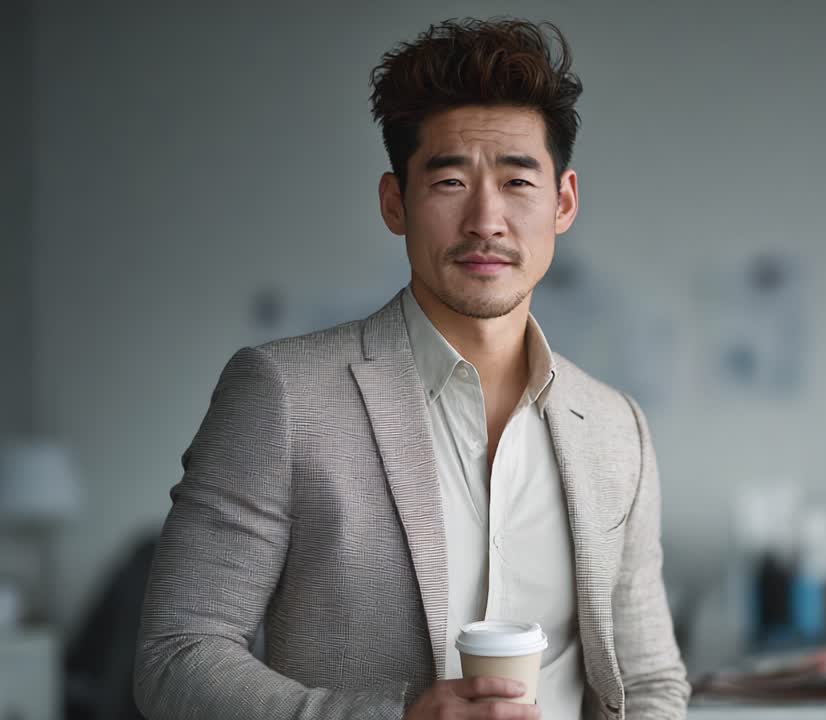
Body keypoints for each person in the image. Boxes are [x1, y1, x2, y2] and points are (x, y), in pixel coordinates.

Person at [134, 18, 689, 720]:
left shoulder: (616, 428)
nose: (486, 220)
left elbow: (650, 683)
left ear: (563, 202)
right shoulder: (282, 396)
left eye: (518, 181)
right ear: (395, 203)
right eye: (450, 180)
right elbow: (177, 656)